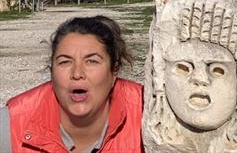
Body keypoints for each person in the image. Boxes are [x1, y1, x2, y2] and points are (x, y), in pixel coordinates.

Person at [0, 16, 143, 153]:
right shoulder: (9, 127)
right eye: (65, 62)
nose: (77, 73)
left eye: (92, 61)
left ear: (114, 71)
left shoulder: (150, 114)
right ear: (52, 71)